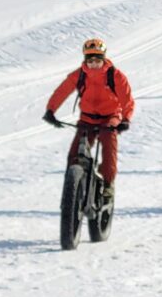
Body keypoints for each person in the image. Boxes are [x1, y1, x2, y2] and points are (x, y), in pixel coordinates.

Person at [43, 38, 134, 199]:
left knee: (108, 144)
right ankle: (71, 192)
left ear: (103, 58)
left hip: (109, 117)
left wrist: (125, 119)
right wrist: (51, 110)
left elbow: (127, 99)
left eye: (97, 60)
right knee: (74, 154)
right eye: (90, 60)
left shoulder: (116, 76)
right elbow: (62, 91)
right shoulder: (79, 75)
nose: (93, 64)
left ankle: (107, 184)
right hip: (87, 119)